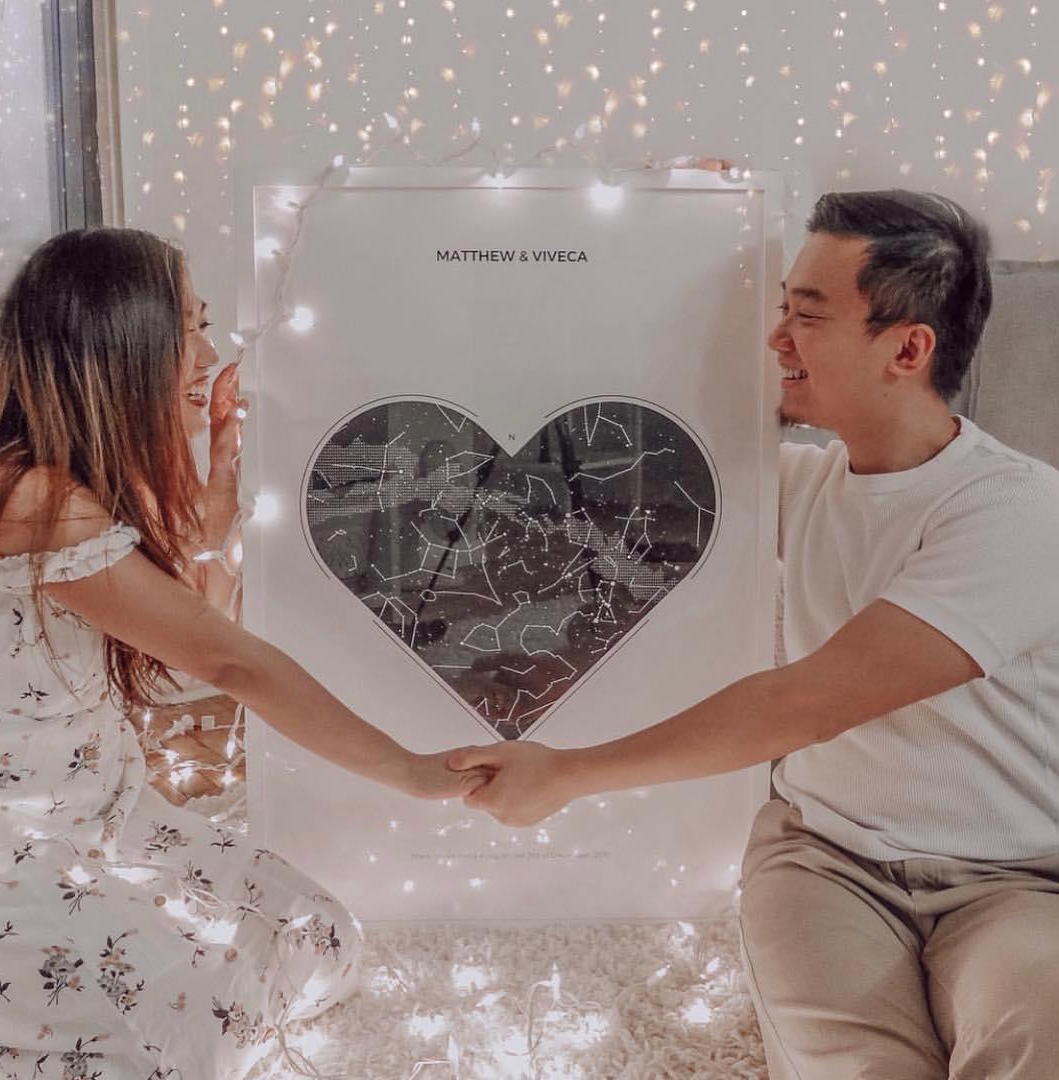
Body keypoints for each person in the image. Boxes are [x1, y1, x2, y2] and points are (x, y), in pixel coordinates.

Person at [447, 189, 1059, 1078]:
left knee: (1041, 1033)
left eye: (807, 316)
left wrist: (570, 774)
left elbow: (805, 704)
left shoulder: (1020, 513)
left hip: (1012, 879)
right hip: (827, 862)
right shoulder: (795, 485)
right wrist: (674, 222)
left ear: (907, 349)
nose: (777, 340)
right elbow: (585, 456)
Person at [0, 227, 486, 1080]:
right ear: (121, 341)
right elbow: (229, 662)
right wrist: (411, 772)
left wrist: (216, 474)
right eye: (189, 327)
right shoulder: (32, 498)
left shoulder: (86, 489)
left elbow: (187, 640)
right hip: (7, 845)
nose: (209, 355)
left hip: (108, 818)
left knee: (320, 940)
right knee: (178, 1031)